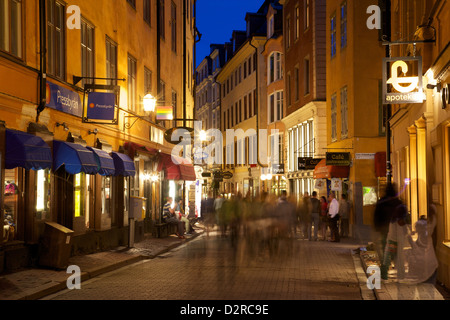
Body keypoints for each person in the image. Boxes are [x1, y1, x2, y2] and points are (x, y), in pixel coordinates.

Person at [405, 205, 439, 284]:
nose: (416, 229)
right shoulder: (424, 236)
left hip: (429, 268)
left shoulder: (426, 237)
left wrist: (410, 238)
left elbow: (416, 250)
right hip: (426, 269)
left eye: (417, 227)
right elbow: (433, 223)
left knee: (427, 290)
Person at [374, 183, 403, 262]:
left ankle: (387, 261)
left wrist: (377, 226)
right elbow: (403, 215)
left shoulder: (382, 201)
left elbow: (377, 215)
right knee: (395, 244)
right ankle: (394, 260)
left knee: (385, 244)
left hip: (384, 228)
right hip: (395, 228)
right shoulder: (398, 202)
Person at [380, 200, 408, 280]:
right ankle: (400, 275)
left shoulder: (393, 219)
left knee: (387, 258)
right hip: (396, 242)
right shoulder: (400, 221)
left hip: (391, 240)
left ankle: (384, 274)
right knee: (398, 259)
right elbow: (404, 231)